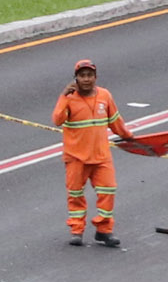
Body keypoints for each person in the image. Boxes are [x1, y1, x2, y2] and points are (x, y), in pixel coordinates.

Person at [49, 60, 126, 248]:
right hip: (76, 157)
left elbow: (115, 121)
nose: (86, 79)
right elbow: (57, 120)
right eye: (82, 76)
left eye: (89, 75)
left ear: (95, 78)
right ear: (75, 78)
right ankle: (77, 231)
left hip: (101, 157)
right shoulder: (69, 98)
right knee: (75, 195)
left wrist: (130, 137)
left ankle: (104, 231)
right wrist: (63, 97)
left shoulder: (105, 96)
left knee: (108, 191)